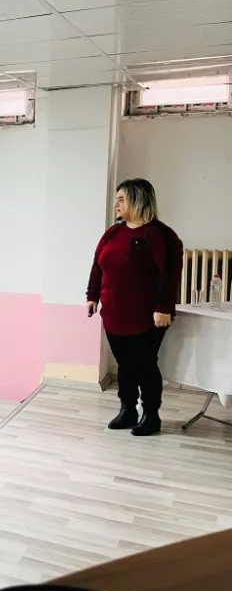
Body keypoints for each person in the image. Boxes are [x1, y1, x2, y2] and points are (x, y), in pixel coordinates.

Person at [87, 178, 183, 437]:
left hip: (148, 315)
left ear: (138, 200)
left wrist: (164, 307)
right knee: (124, 364)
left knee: (144, 364)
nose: (116, 204)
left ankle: (151, 415)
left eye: (122, 199)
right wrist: (92, 295)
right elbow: (98, 265)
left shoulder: (161, 235)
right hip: (114, 312)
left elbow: (169, 275)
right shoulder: (113, 233)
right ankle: (127, 410)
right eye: (116, 199)